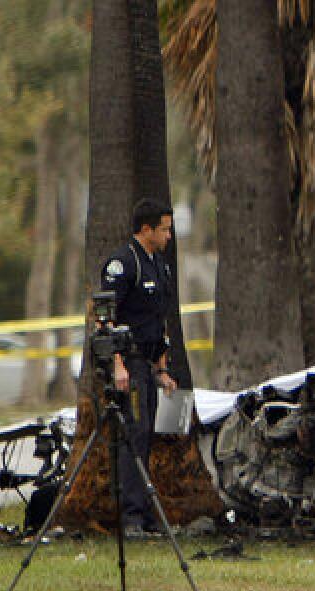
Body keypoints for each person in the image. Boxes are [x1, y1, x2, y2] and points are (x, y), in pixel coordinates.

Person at [100, 198, 177, 537]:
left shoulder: (159, 265)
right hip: (127, 364)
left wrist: (162, 368)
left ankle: (146, 515)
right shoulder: (122, 263)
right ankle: (130, 516)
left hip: (147, 364)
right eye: (164, 229)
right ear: (146, 229)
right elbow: (106, 319)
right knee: (134, 432)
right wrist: (117, 364)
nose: (169, 236)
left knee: (147, 435)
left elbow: (158, 319)